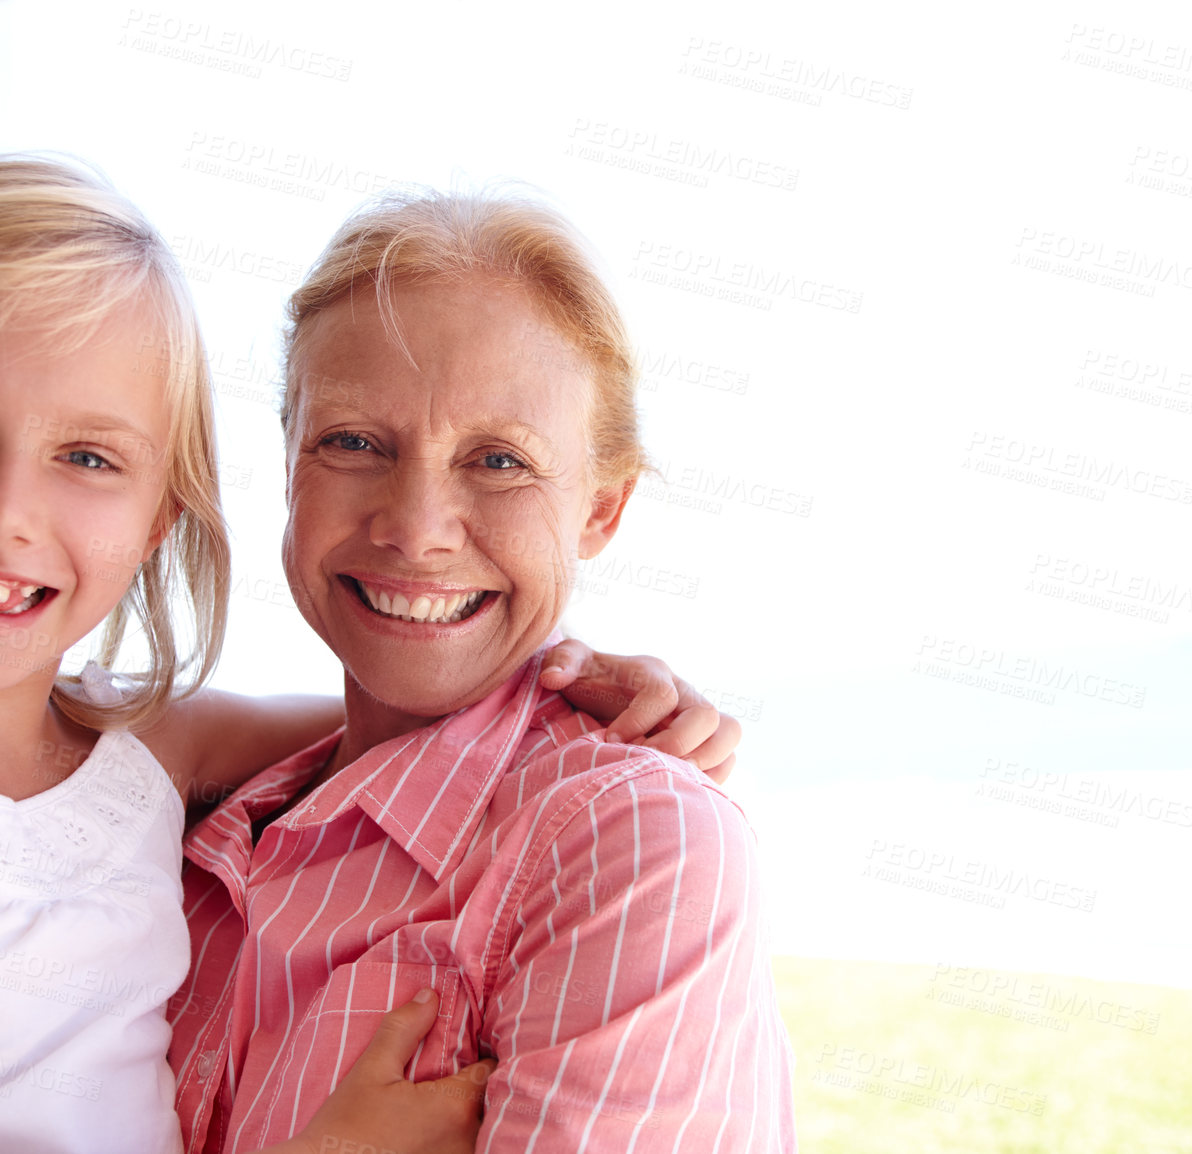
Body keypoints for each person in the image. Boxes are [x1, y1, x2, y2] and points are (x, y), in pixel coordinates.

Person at [0, 157, 740, 1154]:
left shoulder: (135, 745)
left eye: (86, 457)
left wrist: (596, 683)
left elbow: (428, 730)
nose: (0, 513)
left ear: (164, 509)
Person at [168, 189, 796, 1152]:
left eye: (500, 460)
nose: (415, 530)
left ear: (601, 510)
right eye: (350, 442)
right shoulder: (194, 827)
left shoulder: (634, 842)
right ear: (289, 460)